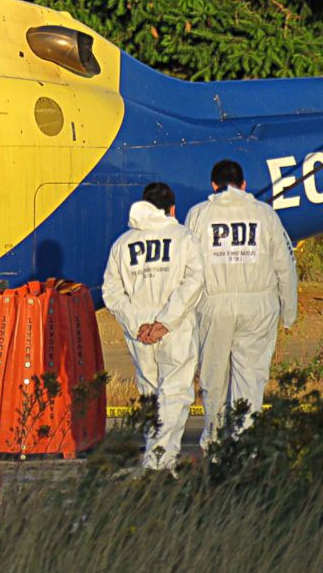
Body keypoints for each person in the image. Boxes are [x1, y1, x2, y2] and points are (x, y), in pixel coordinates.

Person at [185, 159, 298, 449]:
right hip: (259, 306)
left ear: (213, 185)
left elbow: (187, 269)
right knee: (251, 379)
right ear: (244, 184)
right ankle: (245, 445)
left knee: (213, 376)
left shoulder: (199, 215)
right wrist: (289, 312)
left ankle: (212, 440)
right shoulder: (265, 214)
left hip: (214, 305)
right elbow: (285, 265)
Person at [102, 182, 204, 470]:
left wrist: (138, 324)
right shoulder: (183, 237)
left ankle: (161, 460)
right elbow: (194, 281)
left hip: (139, 333)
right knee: (176, 394)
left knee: (150, 395)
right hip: (175, 328)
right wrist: (164, 322)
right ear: (172, 209)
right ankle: (158, 461)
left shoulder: (123, 244)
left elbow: (112, 292)